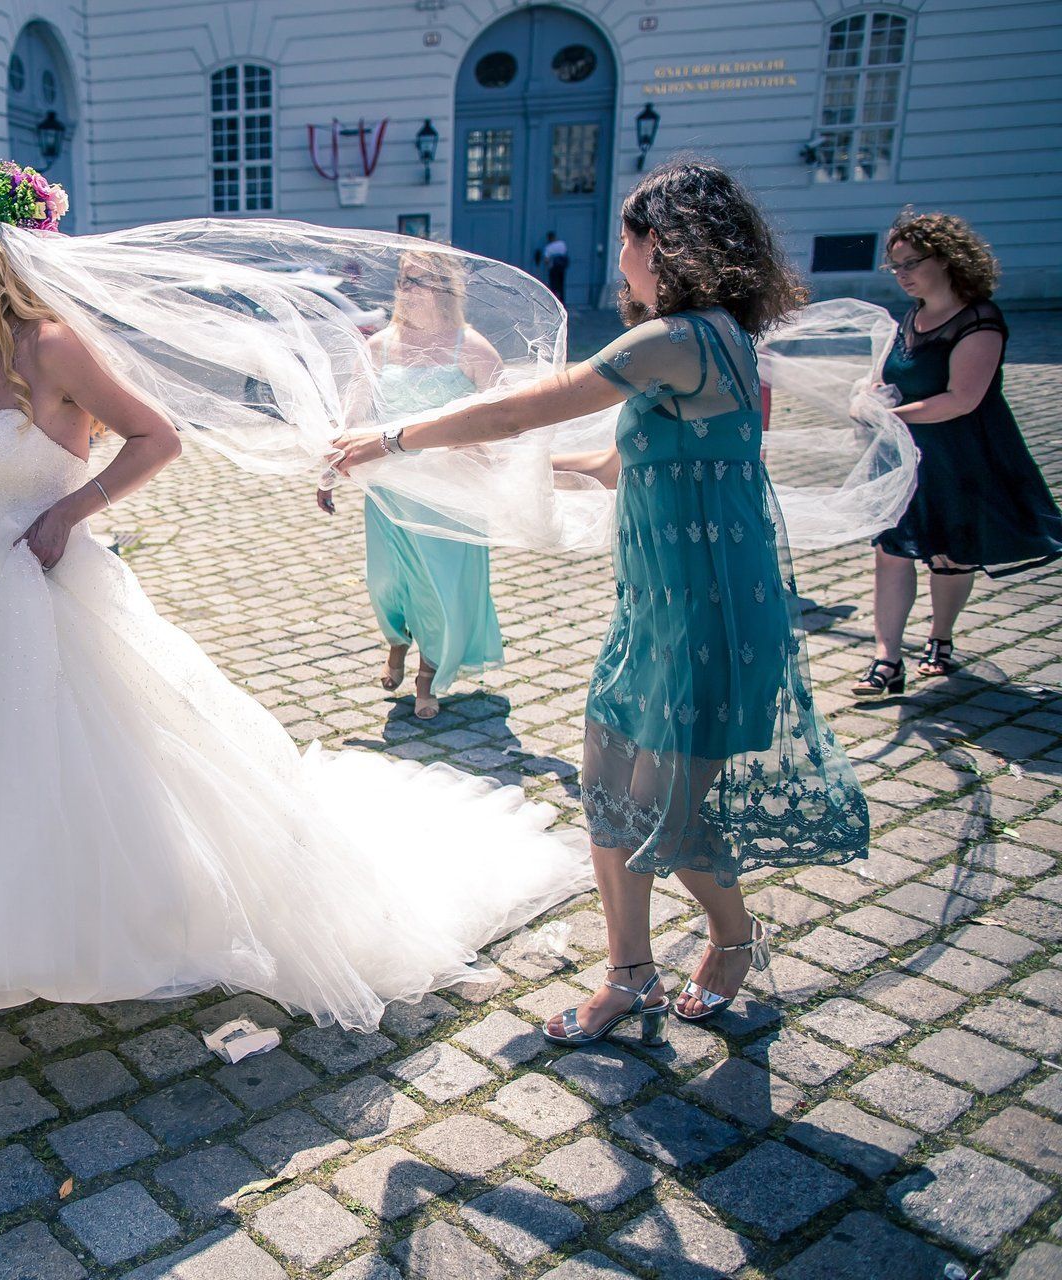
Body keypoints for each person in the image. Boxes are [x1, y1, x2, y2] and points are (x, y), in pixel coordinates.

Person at [0, 177, 589, 1085]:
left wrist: (68, 513)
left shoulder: (50, 346)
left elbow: (157, 438)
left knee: (107, 754)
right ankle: (4, 921)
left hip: (50, 571)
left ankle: (118, 919)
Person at [335, 159, 868, 1044]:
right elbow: (617, 465)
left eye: (627, 237)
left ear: (663, 245)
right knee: (607, 790)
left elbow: (526, 407)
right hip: (654, 606)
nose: (617, 254)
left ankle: (733, 937)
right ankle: (629, 975)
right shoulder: (703, 341)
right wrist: (493, 472)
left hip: (711, 613)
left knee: (666, 808)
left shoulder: (682, 338)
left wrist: (391, 438)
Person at [850, 210, 1062, 699]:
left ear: (946, 259)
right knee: (892, 551)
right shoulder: (911, 316)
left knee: (949, 555)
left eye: (911, 263)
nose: (901, 274)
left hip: (960, 455)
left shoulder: (979, 320)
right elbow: (886, 377)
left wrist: (889, 416)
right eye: (895, 266)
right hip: (906, 456)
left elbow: (961, 399)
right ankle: (887, 659)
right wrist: (867, 396)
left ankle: (940, 637)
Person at [319, 249, 503, 715]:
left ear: (444, 288)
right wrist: (329, 472)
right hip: (389, 494)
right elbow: (352, 418)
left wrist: (473, 457)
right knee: (386, 581)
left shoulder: (473, 349)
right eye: (403, 279)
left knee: (436, 585)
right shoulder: (380, 347)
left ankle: (428, 676)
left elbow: (502, 426)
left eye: (418, 280)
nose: (406, 290)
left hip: (449, 497)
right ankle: (397, 642)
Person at [535, 231, 570, 305]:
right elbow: (565, 253)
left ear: (548, 239)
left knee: (553, 285)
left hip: (553, 268)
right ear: (555, 237)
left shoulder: (548, 247)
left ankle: (554, 302)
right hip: (561, 267)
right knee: (561, 285)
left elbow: (546, 260)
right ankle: (562, 302)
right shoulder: (561, 244)